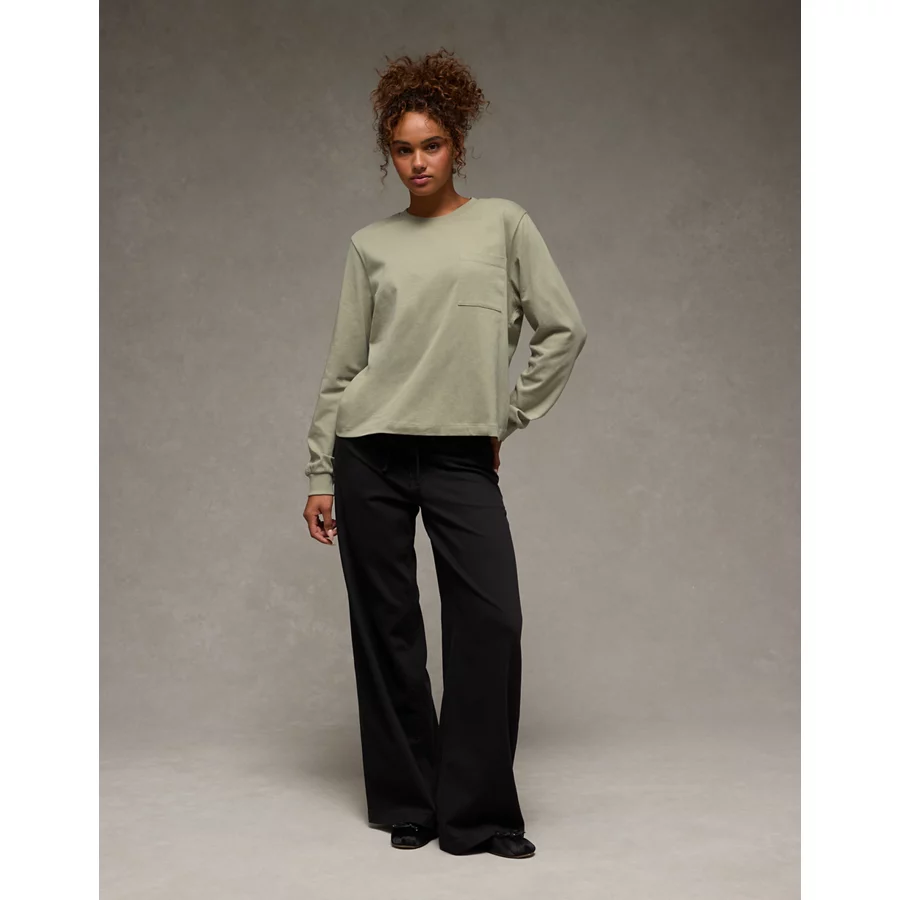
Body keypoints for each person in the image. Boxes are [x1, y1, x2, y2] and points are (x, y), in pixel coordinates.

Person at [302, 48, 587, 860]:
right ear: (388, 155)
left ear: (457, 143)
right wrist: (319, 470)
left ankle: (479, 813)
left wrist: (507, 417)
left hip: (462, 456)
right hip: (369, 453)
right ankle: (410, 802)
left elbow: (563, 329)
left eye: (431, 144)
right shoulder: (371, 245)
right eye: (402, 148)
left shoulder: (504, 224)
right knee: (387, 628)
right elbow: (343, 368)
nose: (417, 161)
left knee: (491, 621)